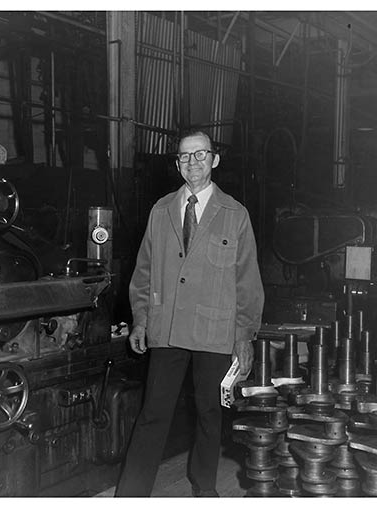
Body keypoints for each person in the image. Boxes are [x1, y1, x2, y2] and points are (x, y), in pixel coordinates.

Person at [115, 130, 264, 497]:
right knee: (153, 414)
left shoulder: (235, 214)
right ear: (177, 164)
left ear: (214, 160)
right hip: (166, 328)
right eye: (184, 157)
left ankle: (204, 491)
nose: (192, 163)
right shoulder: (162, 209)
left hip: (215, 330)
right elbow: (144, 270)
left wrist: (244, 335)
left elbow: (247, 280)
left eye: (200, 155)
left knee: (210, 416)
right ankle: (130, 495)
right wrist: (141, 318)